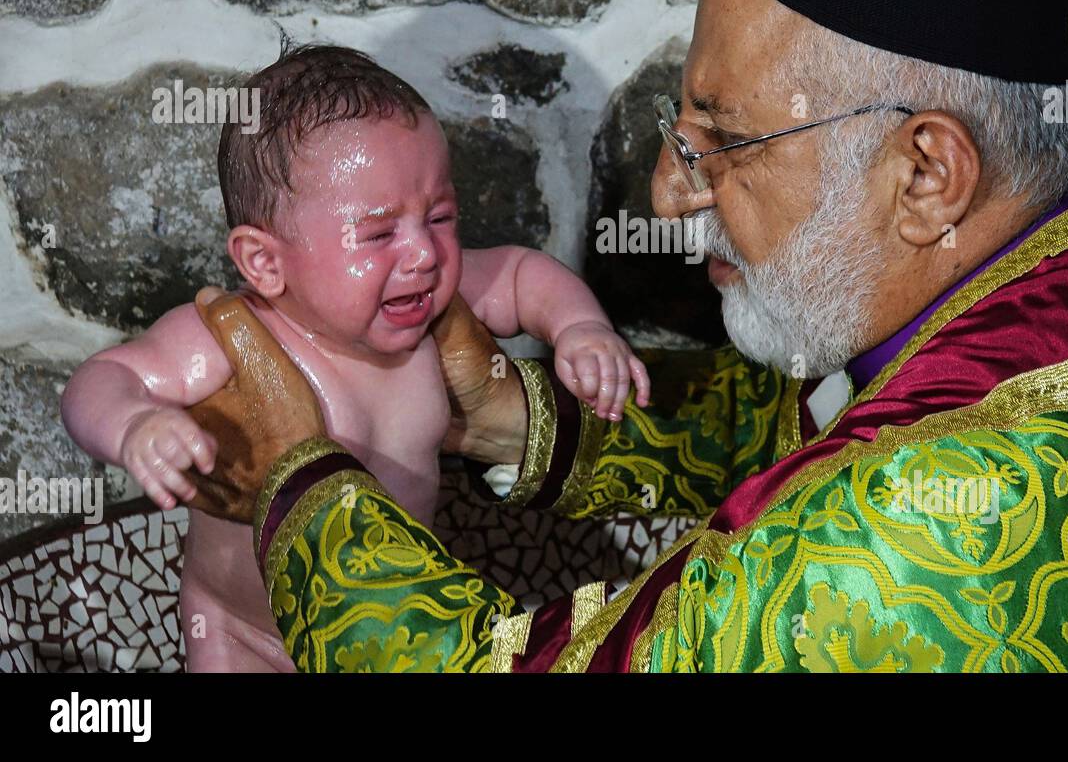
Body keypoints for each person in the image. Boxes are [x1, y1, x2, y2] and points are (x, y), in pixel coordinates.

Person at [182, 0, 1068, 672]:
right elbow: (817, 422)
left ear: (925, 174)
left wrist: (301, 472)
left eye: (727, 140)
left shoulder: (911, 534)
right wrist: (508, 417)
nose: (672, 192)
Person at [60, 44, 648, 671]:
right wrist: (134, 426)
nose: (423, 253)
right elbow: (102, 379)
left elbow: (520, 274)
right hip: (242, 635)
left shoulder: (430, 311)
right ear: (265, 262)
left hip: (388, 628)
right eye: (378, 233)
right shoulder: (233, 340)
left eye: (441, 216)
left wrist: (580, 327)